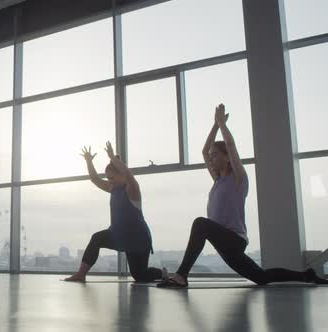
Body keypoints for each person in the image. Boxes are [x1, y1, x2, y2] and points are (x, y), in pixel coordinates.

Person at [158, 104, 328, 288]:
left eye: (215, 155)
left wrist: (222, 124)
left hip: (234, 239)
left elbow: (230, 145)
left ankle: (182, 275)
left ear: (227, 157)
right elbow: (204, 150)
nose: (211, 158)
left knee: (200, 223)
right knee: (261, 277)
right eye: (211, 156)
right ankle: (306, 276)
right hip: (224, 243)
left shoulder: (238, 179)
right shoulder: (217, 180)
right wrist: (215, 125)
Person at [65, 141, 162, 282]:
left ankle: (161, 273)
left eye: (111, 178)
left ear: (122, 176)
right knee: (96, 238)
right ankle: (81, 274)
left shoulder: (132, 190)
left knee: (140, 276)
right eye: (108, 178)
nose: (109, 181)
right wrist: (88, 161)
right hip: (117, 234)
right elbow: (94, 179)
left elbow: (128, 173)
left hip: (137, 239)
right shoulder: (112, 188)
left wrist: (112, 157)